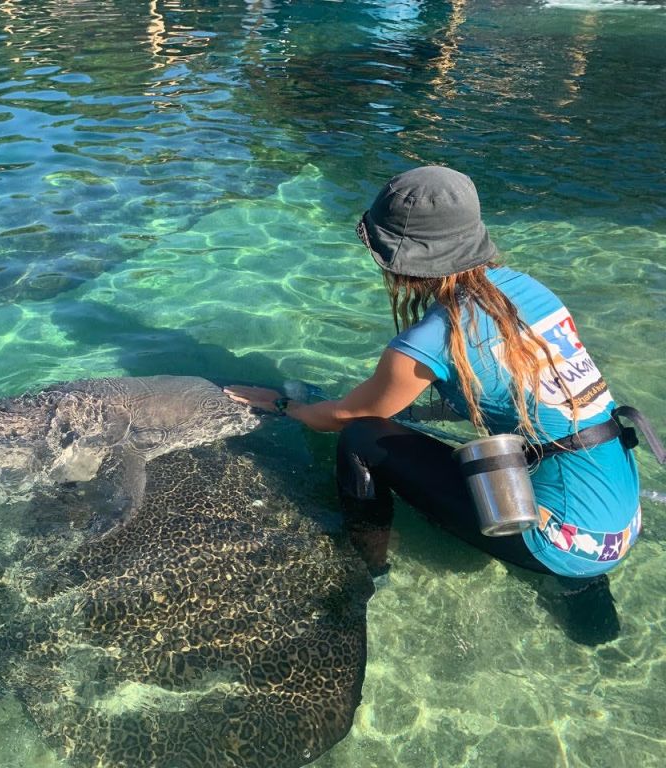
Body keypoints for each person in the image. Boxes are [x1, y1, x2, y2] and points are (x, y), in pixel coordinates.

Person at [224, 165, 644, 645]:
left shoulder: (430, 339)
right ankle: (593, 624)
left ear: (401, 259)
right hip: (619, 522)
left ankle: (364, 570)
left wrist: (280, 403)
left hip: (558, 539)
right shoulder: (529, 291)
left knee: (362, 439)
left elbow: (341, 419)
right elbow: (513, 392)